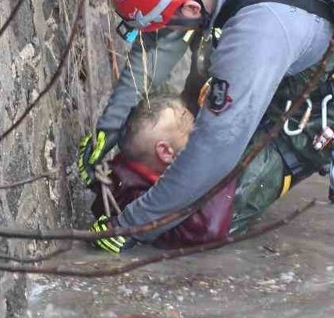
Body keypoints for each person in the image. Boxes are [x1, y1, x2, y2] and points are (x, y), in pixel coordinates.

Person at [80, 0, 334, 253]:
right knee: (190, 119)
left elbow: (214, 149)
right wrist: (112, 123)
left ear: (191, 9)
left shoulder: (254, 38)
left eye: (166, 23)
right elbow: (161, 41)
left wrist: (134, 226)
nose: (163, 32)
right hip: (286, 45)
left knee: (204, 220)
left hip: (314, 106)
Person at [90, 94, 289, 249]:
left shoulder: (126, 171)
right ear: (166, 152)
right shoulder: (133, 196)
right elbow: (210, 229)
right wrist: (219, 152)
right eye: (190, 126)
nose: (198, 127)